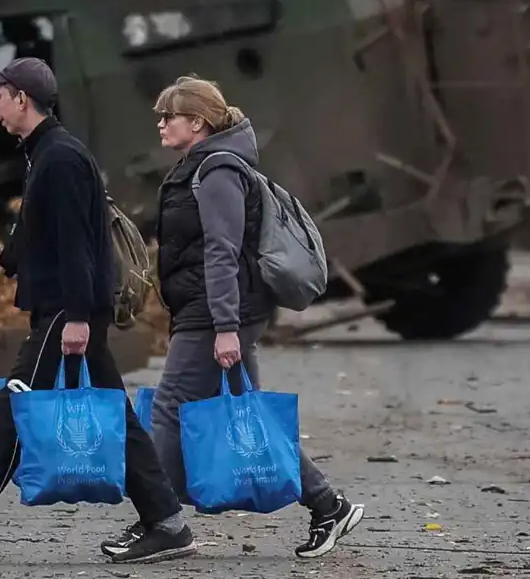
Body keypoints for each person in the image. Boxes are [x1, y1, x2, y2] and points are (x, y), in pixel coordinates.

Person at [0, 56, 195, 566]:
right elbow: (49, 229)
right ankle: (167, 524)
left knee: (17, 408)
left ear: (22, 100)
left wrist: (79, 315)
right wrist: (14, 255)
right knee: (115, 419)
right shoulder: (45, 153)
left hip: (66, 311)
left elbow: (79, 243)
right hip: (65, 307)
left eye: (0, 96)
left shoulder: (59, 158)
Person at [101, 75, 366, 560]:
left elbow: (221, 253)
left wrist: (225, 327)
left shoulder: (218, 171)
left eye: (169, 117)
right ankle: (329, 506)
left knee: (169, 408)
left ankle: (161, 522)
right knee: (251, 413)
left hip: (220, 311)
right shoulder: (197, 166)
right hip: (212, 310)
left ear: (197, 122)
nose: (160, 124)